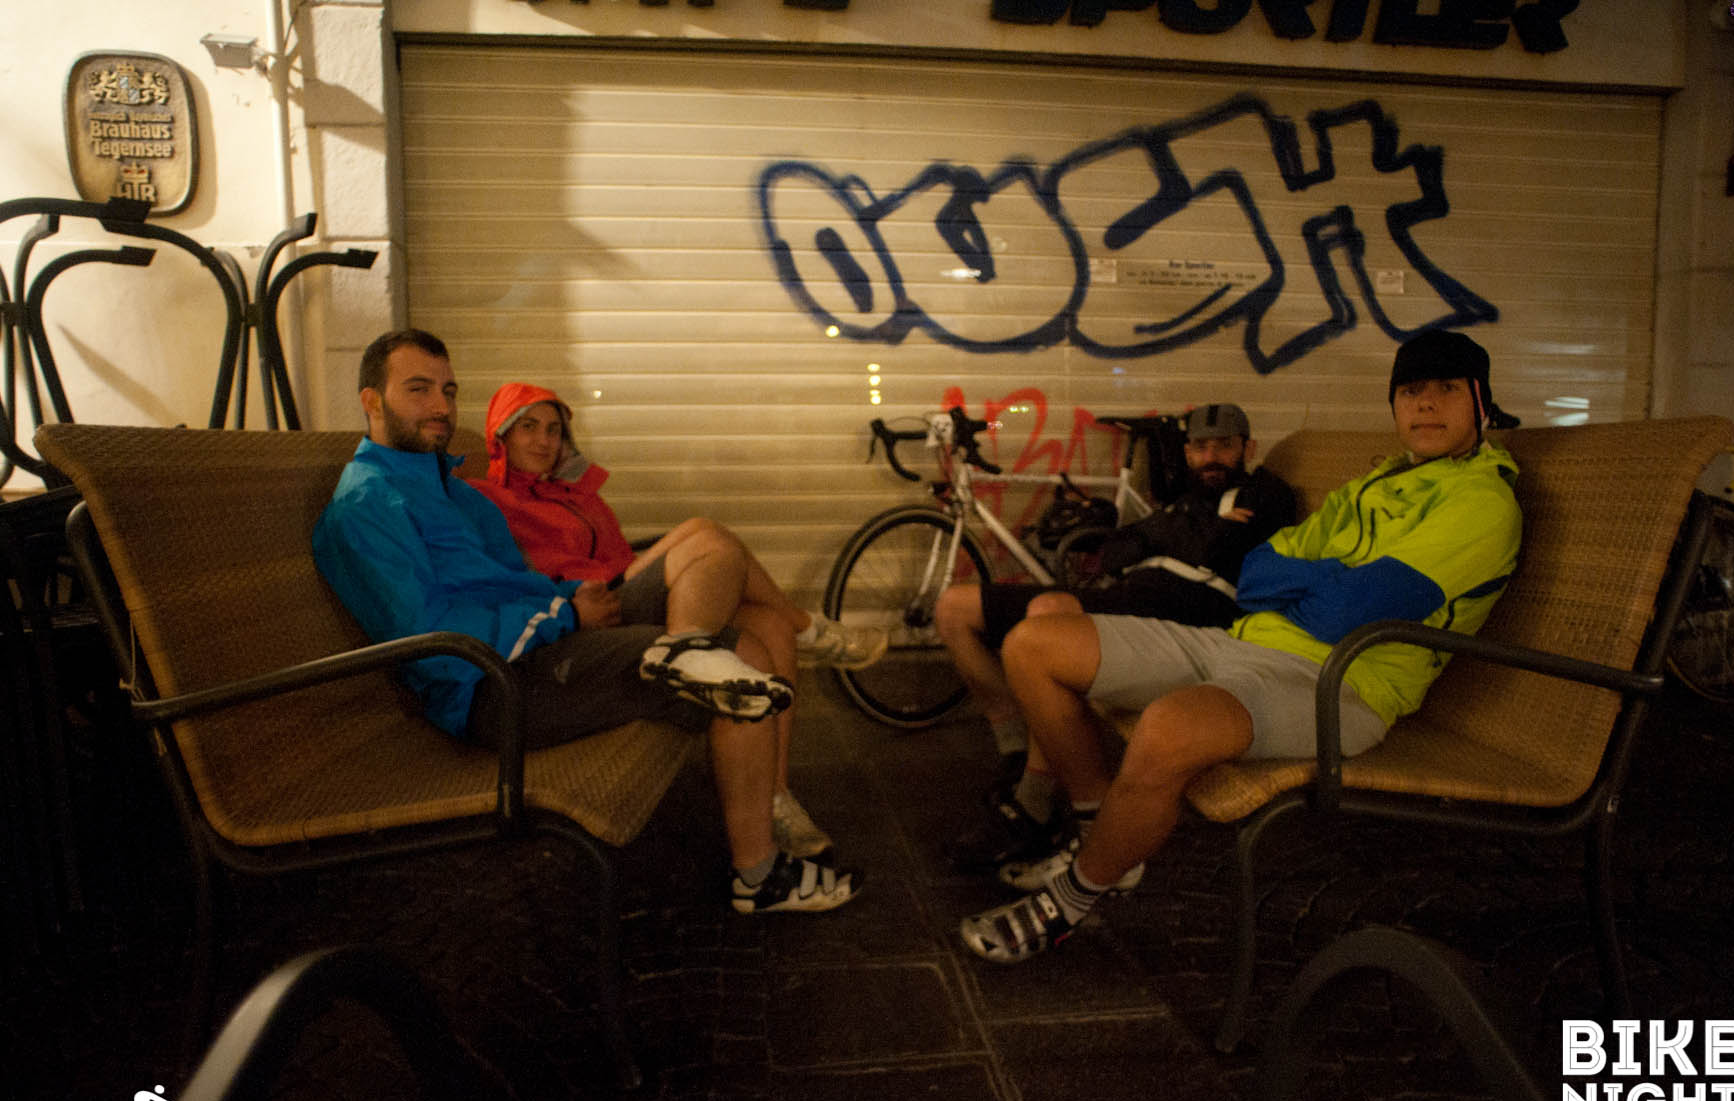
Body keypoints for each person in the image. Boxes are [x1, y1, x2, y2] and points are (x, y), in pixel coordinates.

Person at [959, 330, 1523, 963]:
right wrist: (1322, 583)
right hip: (1239, 641)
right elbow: (1255, 573)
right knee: (1034, 644)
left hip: (1340, 684)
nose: (1426, 404)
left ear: (1481, 401)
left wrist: (1308, 585)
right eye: (1412, 390)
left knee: (1169, 726)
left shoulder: (1481, 502)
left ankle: (1071, 898)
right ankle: (1101, 831)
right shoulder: (1373, 485)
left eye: (1447, 388)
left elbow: (1346, 612)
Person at [312, 329, 857, 913]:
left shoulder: (448, 488)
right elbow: (432, 638)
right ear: (371, 400)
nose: (441, 406)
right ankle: (758, 877)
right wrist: (565, 613)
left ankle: (691, 657)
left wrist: (572, 598)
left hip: (537, 646)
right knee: (742, 661)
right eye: (419, 389)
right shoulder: (368, 502)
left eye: (448, 390)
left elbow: (516, 581)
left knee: (727, 588)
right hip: (489, 686)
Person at [466, 380, 887, 862]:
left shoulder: (574, 492)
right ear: (500, 435)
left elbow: (616, 556)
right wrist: (570, 603)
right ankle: (794, 631)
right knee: (706, 535)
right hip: (589, 610)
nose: (543, 440)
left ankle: (776, 796)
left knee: (768, 626)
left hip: (619, 586)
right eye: (528, 427)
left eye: (553, 429)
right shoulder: (486, 500)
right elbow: (504, 578)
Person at [935, 403, 1295, 870]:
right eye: (1201, 448)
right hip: (1130, 596)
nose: (1211, 458)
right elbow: (1114, 551)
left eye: (1224, 446)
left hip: (1187, 614)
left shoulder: (1266, 493)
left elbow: (1217, 551)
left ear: (1248, 447)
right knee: (953, 608)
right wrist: (1180, 534)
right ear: (1187, 453)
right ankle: (1018, 752)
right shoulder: (1185, 499)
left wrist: (1166, 537)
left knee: (1048, 617)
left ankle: (1036, 802)